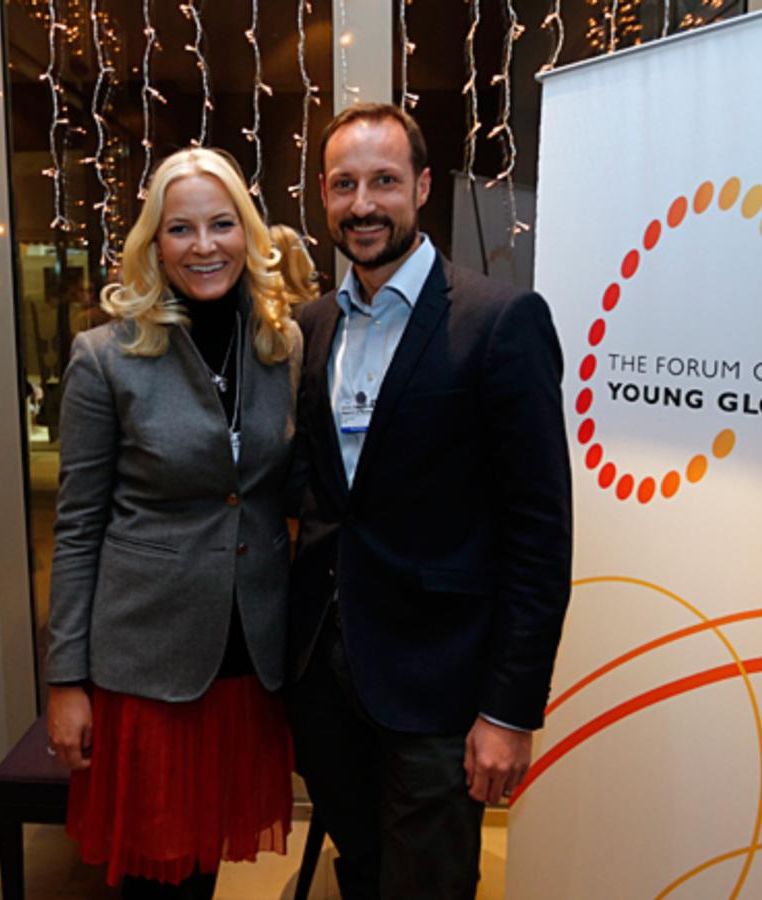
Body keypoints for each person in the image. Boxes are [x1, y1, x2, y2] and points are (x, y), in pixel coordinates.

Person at [287, 103, 573, 899]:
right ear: (324, 194)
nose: (363, 204)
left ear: (420, 187)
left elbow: (539, 534)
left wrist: (509, 711)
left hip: (441, 688)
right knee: (363, 874)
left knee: (429, 886)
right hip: (325, 680)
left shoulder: (500, 322)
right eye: (343, 185)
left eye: (383, 181)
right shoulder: (312, 327)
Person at [45, 146, 315, 898]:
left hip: (248, 652)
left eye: (221, 224)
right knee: (156, 878)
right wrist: (65, 680)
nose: (204, 246)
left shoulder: (282, 345)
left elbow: (285, 486)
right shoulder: (106, 357)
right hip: (149, 661)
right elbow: (78, 527)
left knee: (204, 868)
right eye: (180, 229)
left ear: (248, 234)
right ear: (154, 244)